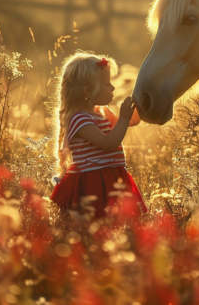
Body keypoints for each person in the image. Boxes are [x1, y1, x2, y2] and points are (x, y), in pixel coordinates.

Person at [50, 51, 147, 218]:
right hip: (93, 182)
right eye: (107, 84)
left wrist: (140, 101)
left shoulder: (100, 112)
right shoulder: (78, 119)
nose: (113, 87)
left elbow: (131, 122)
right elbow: (108, 142)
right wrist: (123, 116)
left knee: (119, 225)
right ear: (88, 91)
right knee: (98, 222)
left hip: (109, 176)